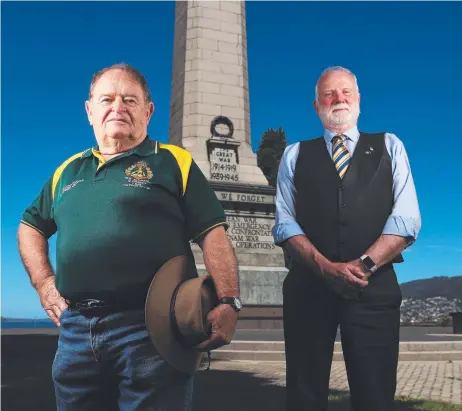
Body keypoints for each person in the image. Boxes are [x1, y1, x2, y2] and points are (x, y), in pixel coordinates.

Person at [17, 63, 242, 411]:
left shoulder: (173, 162)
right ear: (90, 111)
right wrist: (45, 283)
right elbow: (30, 227)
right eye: (106, 99)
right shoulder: (67, 170)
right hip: (76, 330)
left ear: (148, 112)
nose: (117, 107)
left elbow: (212, 233)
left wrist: (228, 301)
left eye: (129, 100)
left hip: (151, 328)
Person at [272, 66, 421, 411]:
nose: (338, 99)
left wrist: (365, 265)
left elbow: (407, 219)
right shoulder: (294, 155)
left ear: (358, 100)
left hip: (374, 290)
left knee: (376, 395)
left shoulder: (390, 146)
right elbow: (285, 222)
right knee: (304, 395)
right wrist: (324, 267)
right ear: (316, 106)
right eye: (328, 93)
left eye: (345, 92)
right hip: (308, 290)